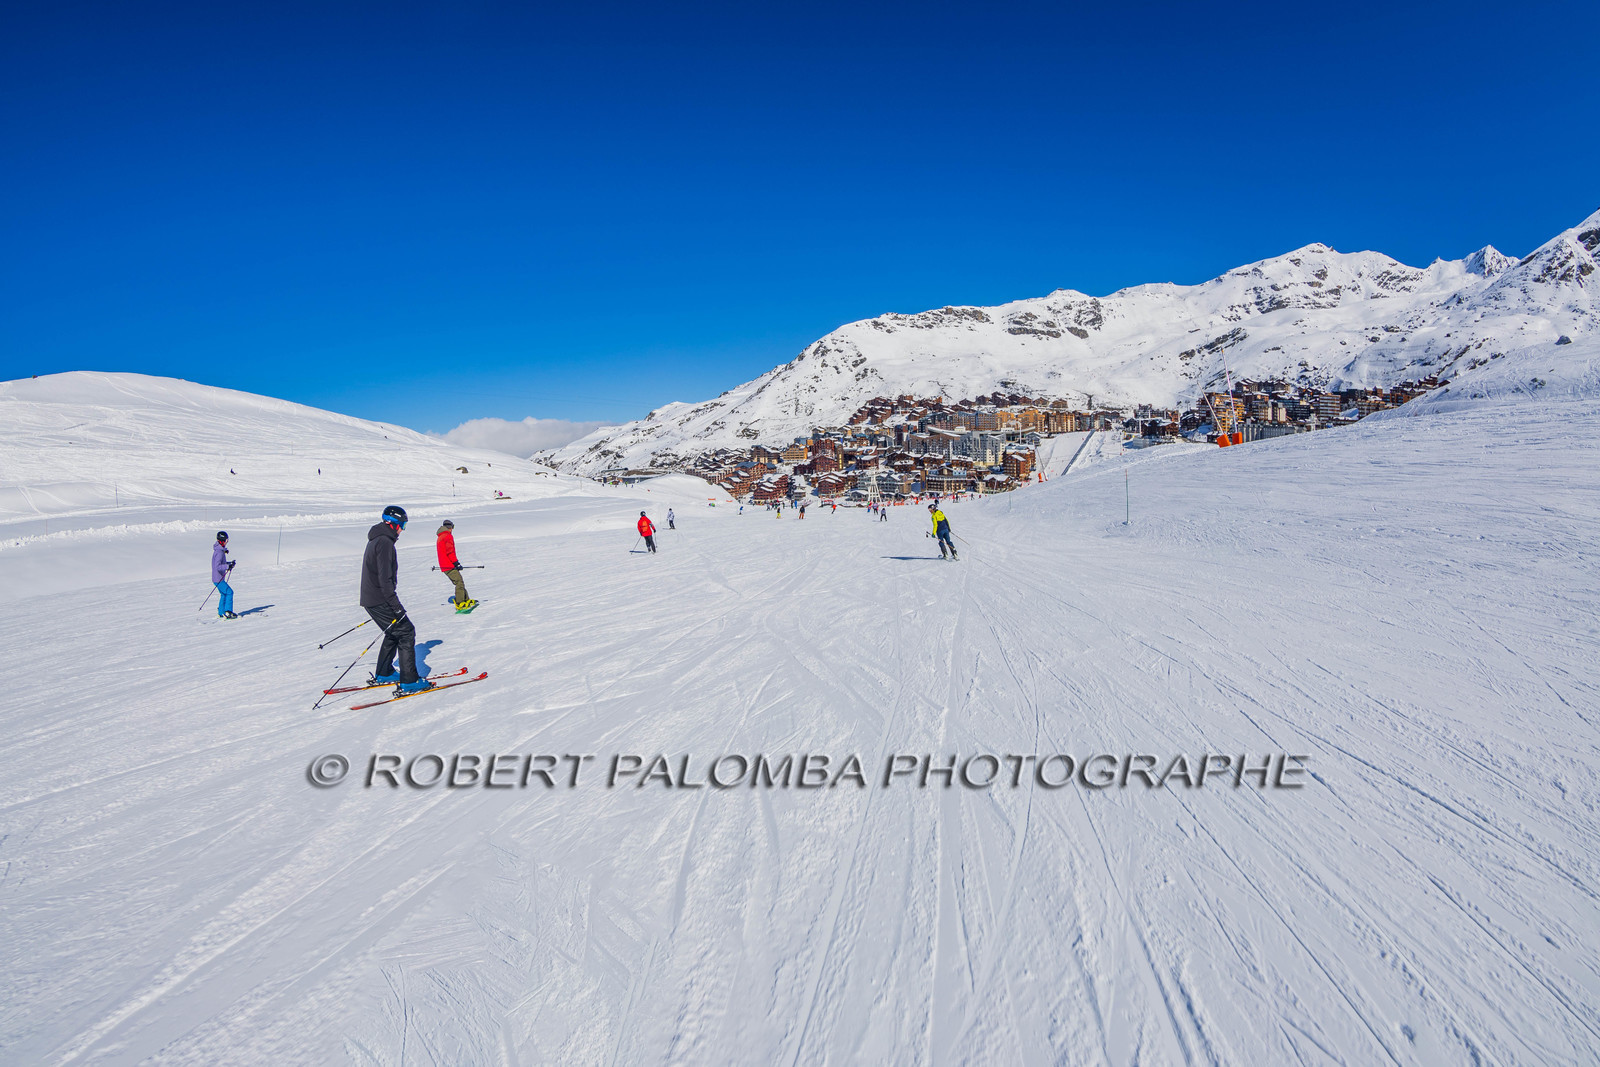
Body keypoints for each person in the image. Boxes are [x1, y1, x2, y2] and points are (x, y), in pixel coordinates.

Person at [361, 505, 432, 694]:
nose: (402, 530)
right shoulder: (384, 542)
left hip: (373, 598)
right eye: (402, 525)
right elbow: (384, 581)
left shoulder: (378, 539)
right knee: (406, 631)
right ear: (391, 524)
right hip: (379, 597)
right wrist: (397, 608)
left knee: (393, 632)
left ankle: (384, 673)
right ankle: (409, 681)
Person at [436, 519, 476, 613]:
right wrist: (456, 563)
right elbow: (450, 552)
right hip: (448, 565)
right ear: (450, 527)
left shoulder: (440, 536)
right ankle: (460, 602)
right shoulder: (448, 536)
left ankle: (466, 600)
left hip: (444, 565)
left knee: (459, 581)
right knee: (459, 582)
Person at [211, 531, 237, 618]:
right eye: (226, 540)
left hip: (217, 578)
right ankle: (228, 612)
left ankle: (221, 612)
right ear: (222, 540)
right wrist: (227, 566)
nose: (227, 542)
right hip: (218, 578)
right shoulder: (219, 552)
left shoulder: (220, 550)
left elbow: (222, 564)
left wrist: (229, 564)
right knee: (230, 592)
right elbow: (218, 566)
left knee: (224, 594)